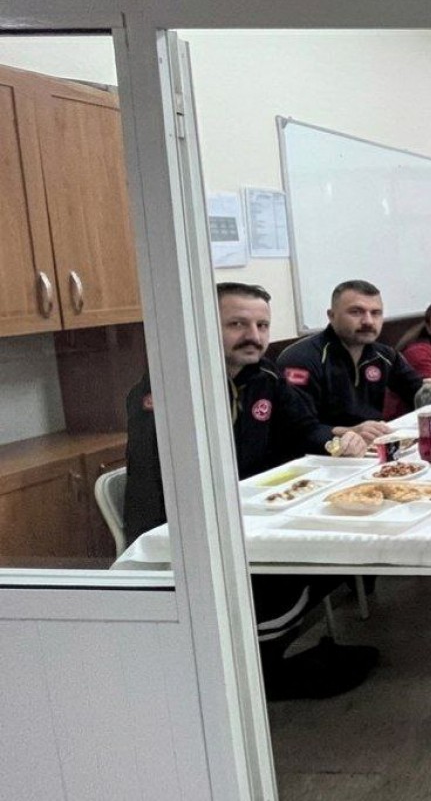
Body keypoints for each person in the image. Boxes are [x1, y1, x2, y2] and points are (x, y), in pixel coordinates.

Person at [124, 283, 377, 700]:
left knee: (340, 553)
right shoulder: (169, 388)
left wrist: (339, 439)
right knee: (306, 559)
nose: (253, 336)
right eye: (237, 324)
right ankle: (256, 670)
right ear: (204, 327)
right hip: (184, 530)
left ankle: (266, 654)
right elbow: (167, 482)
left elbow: (303, 427)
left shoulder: (265, 376)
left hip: (251, 511)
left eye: (262, 325)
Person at [277, 279, 423, 444]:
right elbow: (299, 430)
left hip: (372, 446)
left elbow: (421, 395)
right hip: (321, 452)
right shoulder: (301, 359)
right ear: (331, 316)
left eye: (376, 313)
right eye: (356, 312)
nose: (368, 321)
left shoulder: (385, 355)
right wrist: (350, 432)